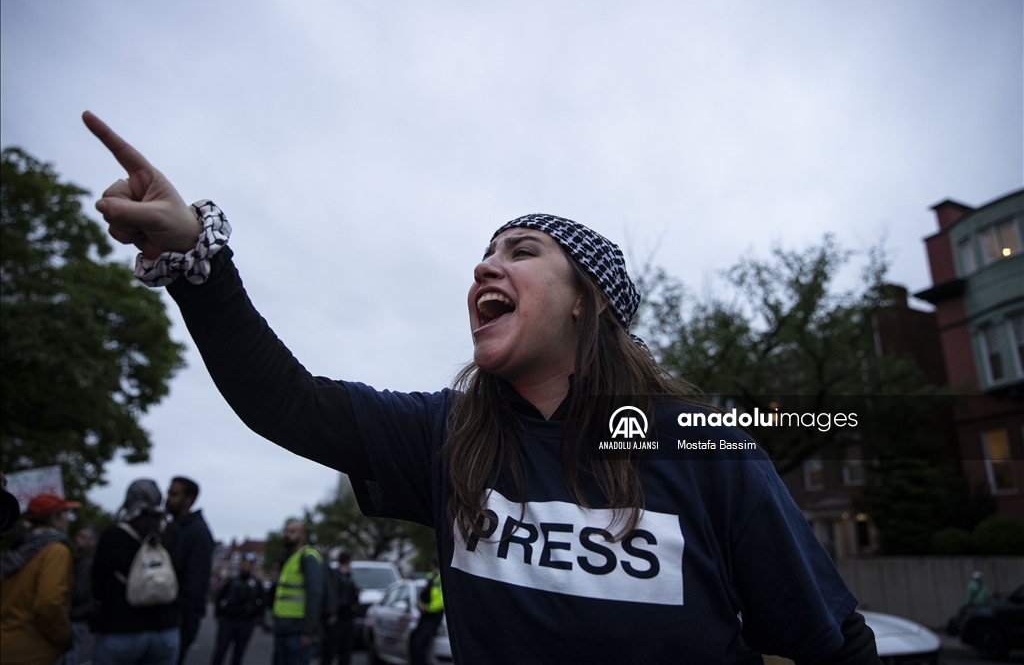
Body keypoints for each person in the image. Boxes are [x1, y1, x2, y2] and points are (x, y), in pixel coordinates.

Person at [83, 111, 881, 664]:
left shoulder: (703, 446)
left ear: (585, 301)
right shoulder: (448, 435)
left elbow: (830, 640)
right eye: (485, 251)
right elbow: (284, 399)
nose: (485, 265)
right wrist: (199, 260)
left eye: (522, 250)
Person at [91, 479, 180, 665]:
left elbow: (97, 583)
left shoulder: (115, 534)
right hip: (165, 630)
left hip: (121, 628)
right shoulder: (172, 532)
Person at [0, 493, 79, 665]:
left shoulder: (20, 547)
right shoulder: (56, 550)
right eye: (66, 514)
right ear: (54, 518)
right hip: (34, 652)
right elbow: (49, 603)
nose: (69, 519)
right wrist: (64, 638)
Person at [165, 476, 214, 664]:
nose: (167, 499)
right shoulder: (173, 528)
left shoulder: (197, 533)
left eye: (174, 494)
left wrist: (187, 625)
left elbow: (195, 584)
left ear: (189, 499)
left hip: (178, 622)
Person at [271, 520, 323, 665]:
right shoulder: (288, 559)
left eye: (292, 532)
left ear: (302, 535)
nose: (287, 535)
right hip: (283, 628)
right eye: (286, 531)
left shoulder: (307, 557)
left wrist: (308, 630)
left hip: (297, 630)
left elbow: (315, 594)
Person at [212, 552, 266, 665]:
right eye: (243, 563)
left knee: (238, 653)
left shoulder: (256, 584)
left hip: (246, 622)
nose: (245, 566)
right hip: (228, 620)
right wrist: (219, 614)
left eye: (248, 564)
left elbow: (262, 602)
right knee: (220, 651)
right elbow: (220, 597)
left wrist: (258, 617)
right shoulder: (231, 581)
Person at [320, 551, 358, 665]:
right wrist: (332, 613)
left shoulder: (348, 576)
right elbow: (333, 595)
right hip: (337, 615)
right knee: (330, 647)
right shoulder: (335, 576)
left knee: (345, 647)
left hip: (347, 615)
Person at [68, 526, 99, 664]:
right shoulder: (81, 559)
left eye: (83, 537)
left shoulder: (87, 562)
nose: (78, 539)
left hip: (77, 616)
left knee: (73, 655)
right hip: (80, 615)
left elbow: (80, 592)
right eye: (78, 535)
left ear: (93, 541)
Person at [410, 558, 445, 665]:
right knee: (415, 640)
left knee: (419, 642)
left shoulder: (438, 579)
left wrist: (426, 608)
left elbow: (440, 601)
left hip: (433, 616)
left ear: (432, 565)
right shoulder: (431, 577)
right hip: (426, 616)